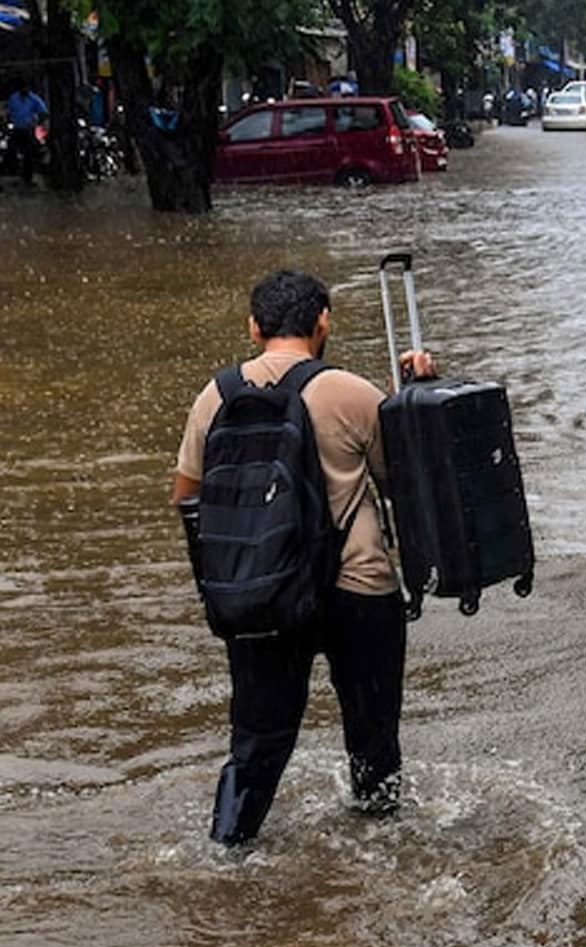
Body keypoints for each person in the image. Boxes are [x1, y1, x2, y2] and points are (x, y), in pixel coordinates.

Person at [171, 270, 437, 846]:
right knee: (372, 739)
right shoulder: (350, 391)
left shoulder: (214, 396)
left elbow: (186, 498)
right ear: (322, 322)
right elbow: (409, 482)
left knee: (256, 746)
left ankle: (227, 852)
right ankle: (379, 849)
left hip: (260, 595)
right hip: (358, 588)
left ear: (253, 326)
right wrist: (411, 396)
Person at [5, 81, 48, 184]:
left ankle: (27, 176)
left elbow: (44, 112)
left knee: (29, 154)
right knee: (11, 151)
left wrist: (37, 123)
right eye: (23, 87)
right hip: (16, 129)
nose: (25, 89)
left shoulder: (34, 99)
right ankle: (14, 174)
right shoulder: (13, 98)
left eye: (26, 87)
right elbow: (8, 112)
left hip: (29, 129)